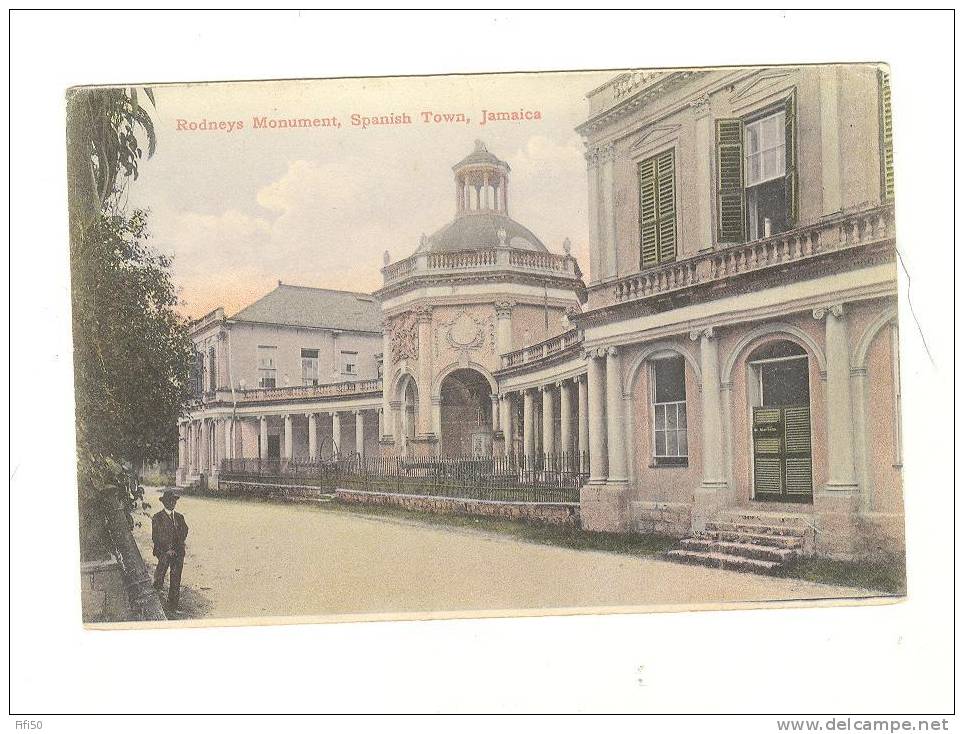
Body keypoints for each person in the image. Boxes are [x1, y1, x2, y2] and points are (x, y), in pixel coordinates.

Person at [151, 490, 189, 613]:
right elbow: (156, 537)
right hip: (163, 552)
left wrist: (178, 546)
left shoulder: (179, 517)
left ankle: (172, 606)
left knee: (176, 577)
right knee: (160, 575)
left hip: (177, 553)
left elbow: (185, 531)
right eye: (170, 501)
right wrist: (167, 549)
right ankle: (155, 603)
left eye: (174, 501)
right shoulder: (157, 518)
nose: (172, 503)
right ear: (164, 502)